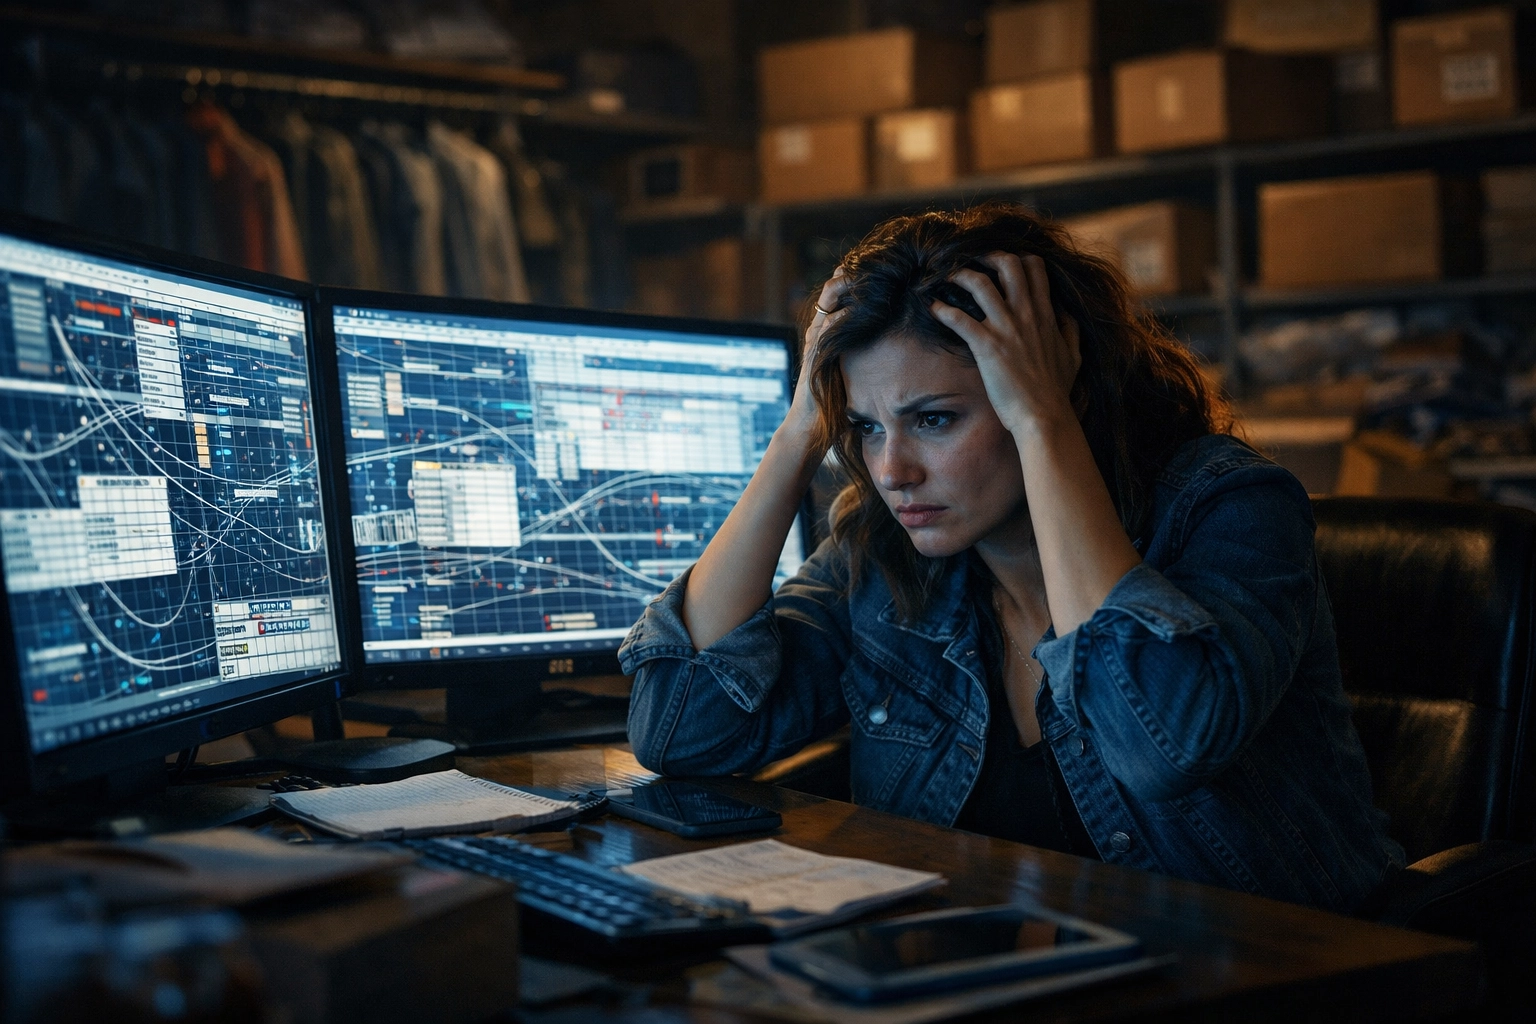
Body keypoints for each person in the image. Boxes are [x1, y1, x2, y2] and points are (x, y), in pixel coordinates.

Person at [618, 202, 1403, 912]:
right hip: (987, 974)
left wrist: (1044, 423)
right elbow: (681, 729)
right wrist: (799, 434)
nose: (891, 471)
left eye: (934, 419)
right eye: (866, 427)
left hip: (1260, 974)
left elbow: (1156, 746)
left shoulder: (1231, 506)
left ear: (1057, 388)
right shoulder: (884, 550)